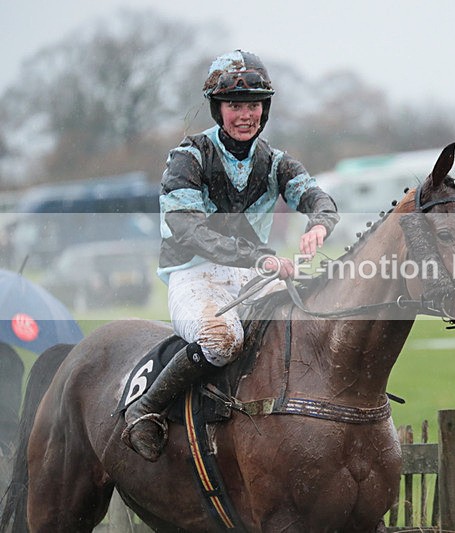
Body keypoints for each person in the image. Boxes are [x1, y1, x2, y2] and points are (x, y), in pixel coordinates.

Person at [122, 50, 339, 461]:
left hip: (253, 273)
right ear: (218, 109)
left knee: (306, 324)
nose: (246, 115)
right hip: (194, 274)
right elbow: (190, 230)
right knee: (223, 340)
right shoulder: (188, 157)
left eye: (253, 105)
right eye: (235, 105)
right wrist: (259, 258)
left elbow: (318, 197)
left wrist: (319, 224)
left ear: (265, 109)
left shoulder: (276, 162)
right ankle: (146, 408)